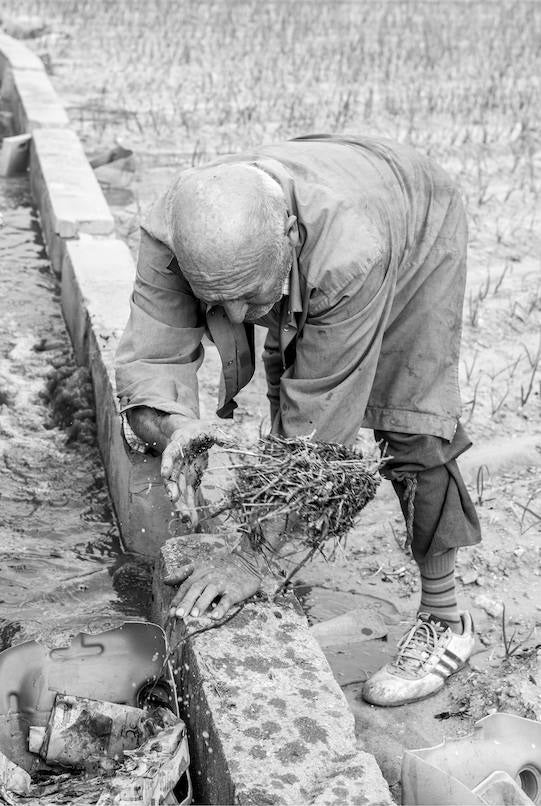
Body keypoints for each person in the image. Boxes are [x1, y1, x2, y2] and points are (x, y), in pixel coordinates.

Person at [114, 134, 481, 707]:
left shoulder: (349, 254)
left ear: (288, 235)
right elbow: (148, 365)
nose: (236, 318)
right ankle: (280, 532)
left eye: (248, 295)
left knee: (410, 418)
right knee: (285, 368)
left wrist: (251, 556)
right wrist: (175, 427)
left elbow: (320, 445)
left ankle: (445, 619)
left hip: (414, 216)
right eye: (216, 299)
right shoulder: (177, 230)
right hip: (329, 203)